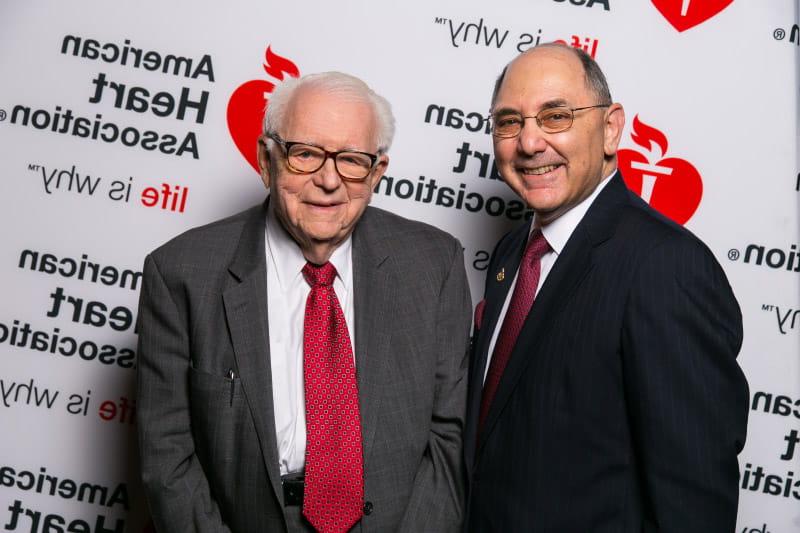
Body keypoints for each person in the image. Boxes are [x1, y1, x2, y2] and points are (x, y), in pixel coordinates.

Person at [137, 71, 471, 533]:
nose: (329, 180)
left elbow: (449, 437)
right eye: (306, 154)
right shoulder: (181, 273)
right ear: (266, 159)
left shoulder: (435, 264)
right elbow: (167, 453)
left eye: (352, 160)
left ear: (377, 173)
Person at [463, 43, 749, 532]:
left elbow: (693, 500)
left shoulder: (665, 266)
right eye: (509, 122)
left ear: (612, 127)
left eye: (556, 116)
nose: (529, 143)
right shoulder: (513, 254)